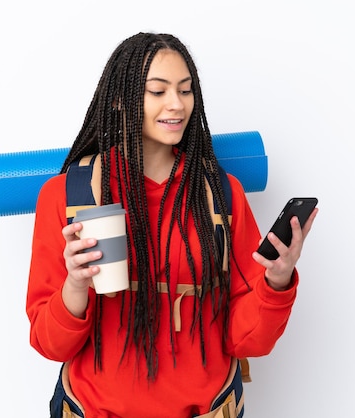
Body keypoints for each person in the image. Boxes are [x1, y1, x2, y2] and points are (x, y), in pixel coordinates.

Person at [26, 32, 318, 418]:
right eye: (158, 91)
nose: (177, 105)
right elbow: (51, 345)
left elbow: (245, 339)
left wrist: (276, 283)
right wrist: (75, 286)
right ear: (120, 99)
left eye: (185, 90)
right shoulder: (66, 196)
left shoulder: (220, 195)